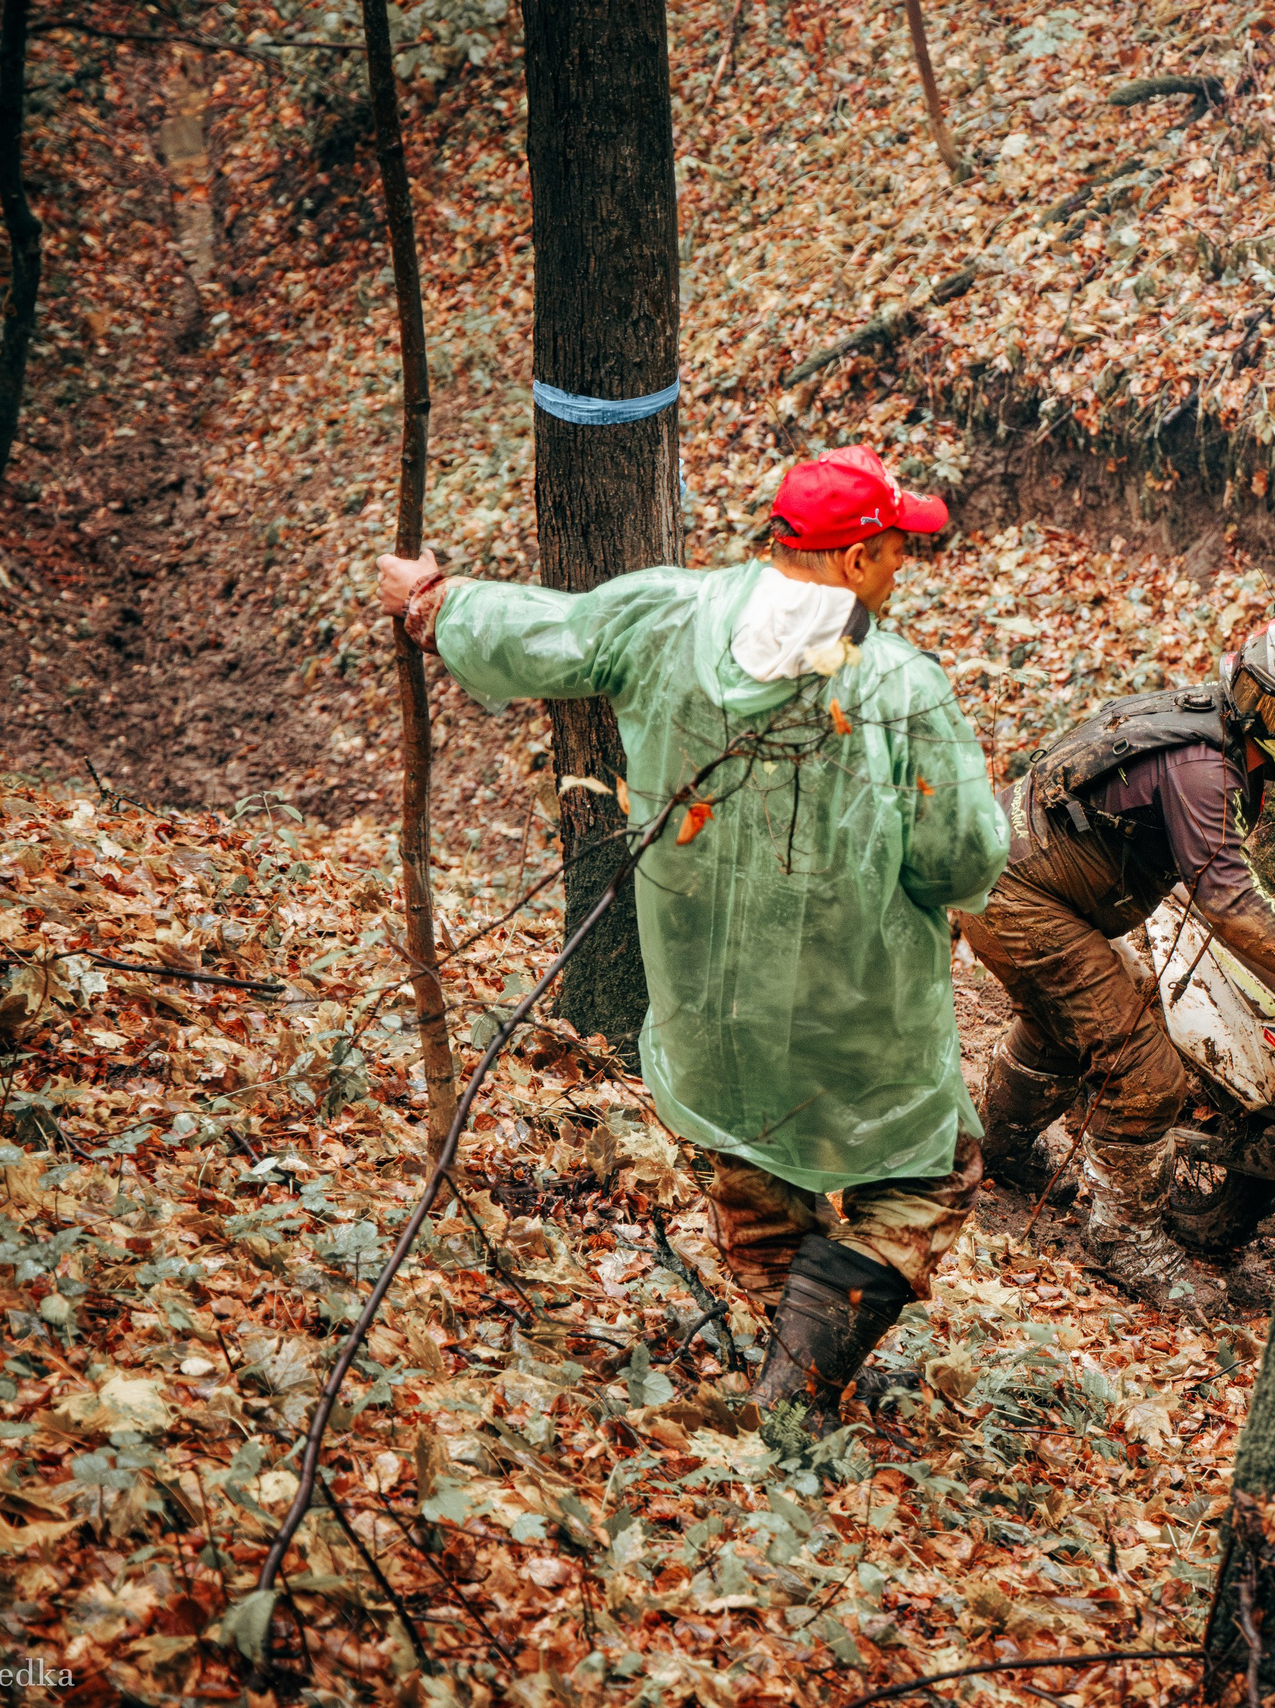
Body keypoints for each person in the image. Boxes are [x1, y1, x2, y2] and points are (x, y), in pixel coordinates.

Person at [377, 445, 1008, 1442]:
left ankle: (798, 1355)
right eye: (892, 551)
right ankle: (795, 1390)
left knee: (755, 1177)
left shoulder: (666, 614)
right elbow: (962, 860)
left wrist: (439, 603)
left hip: (706, 1016)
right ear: (849, 562)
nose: (901, 571)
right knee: (935, 1175)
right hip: (859, 1025)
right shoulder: (899, 686)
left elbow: (543, 633)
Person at [959, 612, 1275, 1315]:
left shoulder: (1229, 721)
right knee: (1142, 1068)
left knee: (1067, 1022)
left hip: (1028, 875)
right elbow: (1231, 905)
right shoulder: (1206, 771)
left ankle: (1000, 1146)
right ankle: (1120, 1239)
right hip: (1017, 895)